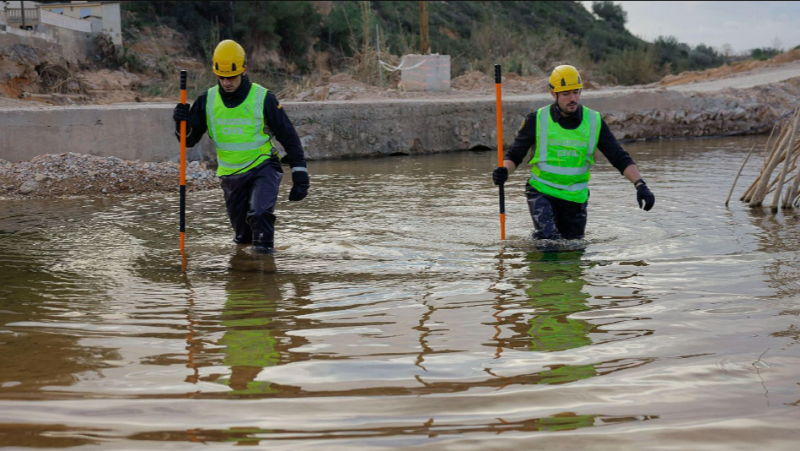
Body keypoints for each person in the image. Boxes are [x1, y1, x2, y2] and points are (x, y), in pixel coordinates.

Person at [173, 40, 309, 253]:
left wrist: (300, 173)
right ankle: (245, 278)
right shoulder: (207, 100)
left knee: (260, 213)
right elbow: (188, 141)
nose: (226, 82)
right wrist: (180, 124)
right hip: (231, 176)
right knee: (243, 238)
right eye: (222, 77)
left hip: (262, 167)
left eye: (231, 77)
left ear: (244, 71)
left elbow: (288, 136)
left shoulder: (263, 98)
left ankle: (266, 273)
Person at [492, 65, 655, 240]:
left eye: (576, 92)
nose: (573, 98)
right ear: (553, 94)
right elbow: (515, 155)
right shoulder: (536, 120)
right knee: (548, 240)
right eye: (566, 94)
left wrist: (640, 185)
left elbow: (618, 156)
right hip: (542, 192)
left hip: (576, 197)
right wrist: (504, 171)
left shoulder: (594, 121)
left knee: (573, 251)